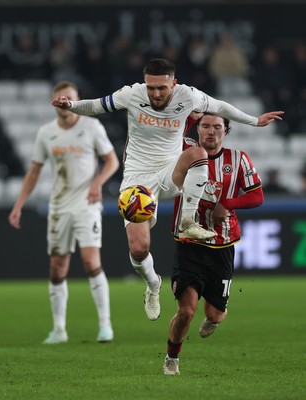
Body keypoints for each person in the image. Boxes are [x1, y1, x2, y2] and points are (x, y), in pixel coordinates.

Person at [51, 58, 283, 322]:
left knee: (197, 153)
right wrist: (71, 105)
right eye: (151, 88)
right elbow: (97, 105)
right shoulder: (131, 94)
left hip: (171, 171)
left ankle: (187, 221)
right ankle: (152, 284)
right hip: (137, 180)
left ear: (173, 83)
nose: (156, 94)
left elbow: (220, 107)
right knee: (139, 249)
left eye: (162, 88)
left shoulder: (188, 95)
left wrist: (255, 121)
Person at [9, 80, 119, 344]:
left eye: (69, 98)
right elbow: (34, 172)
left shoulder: (91, 126)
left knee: (91, 262)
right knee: (57, 269)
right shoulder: (46, 133)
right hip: (59, 206)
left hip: (87, 205)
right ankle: (59, 330)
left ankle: (105, 326)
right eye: (59, 98)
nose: (64, 103)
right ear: (53, 102)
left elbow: (112, 161)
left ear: (76, 99)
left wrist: (97, 183)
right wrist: (18, 205)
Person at [163, 112, 264, 376]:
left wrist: (228, 204)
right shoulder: (185, 152)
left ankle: (215, 317)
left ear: (225, 131)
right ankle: (172, 358)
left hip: (222, 244)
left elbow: (257, 196)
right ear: (197, 130)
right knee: (186, 311)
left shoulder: (238, 159)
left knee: (216, 314)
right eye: (205, 126)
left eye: (217, 127)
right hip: (189, 242)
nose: (210, 131)